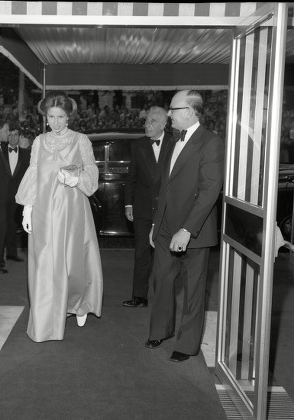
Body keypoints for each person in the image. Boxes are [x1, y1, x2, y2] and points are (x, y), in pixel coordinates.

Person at [16, 90, 103, 342]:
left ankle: (76, 303)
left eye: (60, 117)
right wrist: (27, 208)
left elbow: (91, 170)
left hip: (72, 208)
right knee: (44, 263)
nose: (54, 122)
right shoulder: (39, 141)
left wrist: (78, 179)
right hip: (44, 209)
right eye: (50, 116)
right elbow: (33, 173)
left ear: (69, 117)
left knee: (71, 262)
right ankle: (45, 317)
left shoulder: (81, 140)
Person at [146, 90, 224, 363]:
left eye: (173, 109)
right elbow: (164, 188)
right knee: (162, 282)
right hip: (166, 225)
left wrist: (187, 230)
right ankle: (160, 330)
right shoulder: (171, 140)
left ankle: (187, 344)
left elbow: (210, 190)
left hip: (195, 230)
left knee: (193, 288)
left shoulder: (211, 142)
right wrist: (156, 224)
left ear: (190, 112)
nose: (168, 114)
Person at [123, 106, 174, 308]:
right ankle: (139, 296)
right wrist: (128, 203)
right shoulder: (138, 145)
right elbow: (131, 178)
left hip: (166, 209)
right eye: (146, 121)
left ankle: (164, 296)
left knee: (165, 255)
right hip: (142, 208)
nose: (147, 125)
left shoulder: (175, 142)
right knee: (141, 253)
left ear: (163, 124)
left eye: (152, 121)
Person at [0, 123, 30, 273]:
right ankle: (0, 259)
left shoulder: (26, 154)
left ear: (20, 136)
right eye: (10, 134)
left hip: (18, 196)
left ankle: (11, 254)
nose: (12, 137)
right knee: (1, 226)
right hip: (2, 194)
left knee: (13, 224)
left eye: (16, 134)